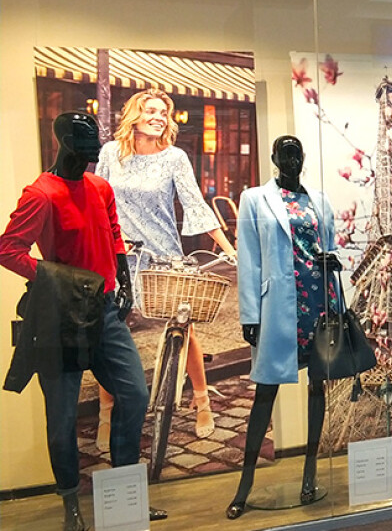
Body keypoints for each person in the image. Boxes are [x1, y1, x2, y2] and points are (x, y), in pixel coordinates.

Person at [0, 113, 165, 530]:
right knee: (62, 418)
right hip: (62, 316)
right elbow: (9, 249)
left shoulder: (99, 187)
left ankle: (124, 492)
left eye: (95, 138)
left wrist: (124, 281)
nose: (92, 145)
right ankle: (70, 503)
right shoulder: (41, 194)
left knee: (134, 394)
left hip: (105, 310)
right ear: (64, 140)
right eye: (83, 137)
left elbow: (113, 232)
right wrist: (56, 278)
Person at [93, 89, 236, 445]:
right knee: (108, 333)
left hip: (163, 254)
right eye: (151, 110)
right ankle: (106, 412)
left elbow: (195, 204)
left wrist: (229, 249)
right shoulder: (111, 153)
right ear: (134, 116)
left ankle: (202, 401)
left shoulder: (174, 157)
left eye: (163, 112)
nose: (159, 117)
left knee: (183, 328)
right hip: (119, 255)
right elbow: (97, 201)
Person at [226, 135, 341, 519]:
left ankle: (311, 472)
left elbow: (329, 247)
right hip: (278, 307)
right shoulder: (255, 199)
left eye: (297, 154)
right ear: (274, 158)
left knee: (318, 386)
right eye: (285, 155)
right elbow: (248, 258)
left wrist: (333, 263)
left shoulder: (319, 200)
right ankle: (244, 485)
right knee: (265, 392)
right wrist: (249, 315)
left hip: (319, 304)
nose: (292, 161)